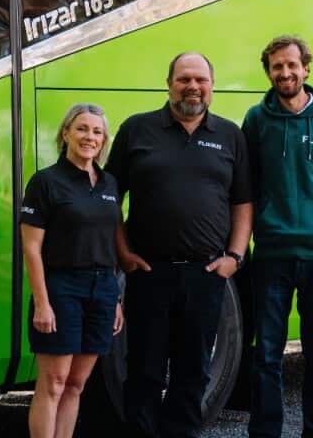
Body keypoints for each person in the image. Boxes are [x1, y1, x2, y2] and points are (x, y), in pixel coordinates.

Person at [107, 52, 253, 438]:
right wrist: (122, 253)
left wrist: (235, 258)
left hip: (206, 275)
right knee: (144, 369)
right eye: (184, 79)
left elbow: (243, 202)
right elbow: (109, 197)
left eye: (201, 80)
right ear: (169, 83)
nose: (193, 87)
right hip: (149, 273)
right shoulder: (137, 130)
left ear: (211, 86)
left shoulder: (229, 135)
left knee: (193, 372)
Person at [245, 35, 313, 438]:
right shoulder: (256, 121)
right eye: (277, 66)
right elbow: (248, 184)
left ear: (306, 68)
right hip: (272, 255)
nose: (285, 73)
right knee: (266, 357)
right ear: (269, 72)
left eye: (292, 65)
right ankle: (265, 432)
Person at [21, 103, 124, 438]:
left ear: (104, 140)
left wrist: (116, 298)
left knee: (77, 384)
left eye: (96, 132)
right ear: (65, 133)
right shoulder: (45, 182)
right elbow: (31, 248)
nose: (89, 137)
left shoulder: (109, 183)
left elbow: (108, 243)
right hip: (60, 288)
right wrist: (42, 303)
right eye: (81, 129)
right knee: (53, 383)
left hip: (102, 289)